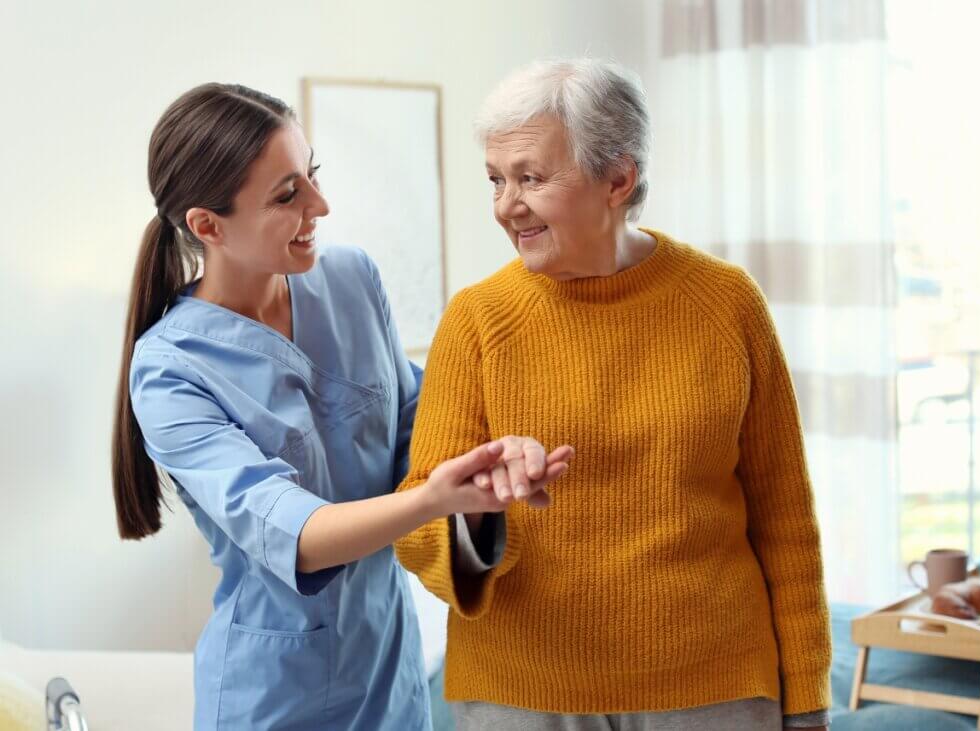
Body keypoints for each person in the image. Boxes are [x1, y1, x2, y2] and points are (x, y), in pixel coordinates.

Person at [110, 83, 572, 730]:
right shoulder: (170, 370)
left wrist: (490, 462)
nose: (321, 205)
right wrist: (433, 499)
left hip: (391, 674)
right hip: (275, 698)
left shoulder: (351, 279)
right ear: (207, 226)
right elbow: (293, 534)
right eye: (287, 195)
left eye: (312, 174)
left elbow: (417, 424)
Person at [395, 59, 832, 731]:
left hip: (712, 687)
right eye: (496, 179)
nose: (506, 204)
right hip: (520, 691)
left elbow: (786, 520)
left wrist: (807, 701)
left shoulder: (727, 302)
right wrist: (481, 506)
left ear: (618, 180)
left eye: (530, 177)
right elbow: (418, 528)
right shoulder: (476, 320)